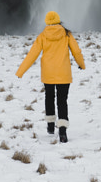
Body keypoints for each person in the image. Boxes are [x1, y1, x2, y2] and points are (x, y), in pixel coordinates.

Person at [16, 11, 85, 143]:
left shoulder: (43, 36)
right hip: (64, 74)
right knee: (62, 101)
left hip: (48, 74)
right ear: (59, 20)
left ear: (47, 21)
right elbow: (76, 51)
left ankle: (50, 125)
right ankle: (63, 131)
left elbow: (32, 55)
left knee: (49, 98)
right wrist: (81, 64)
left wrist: (21, 71)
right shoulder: (67, 34)